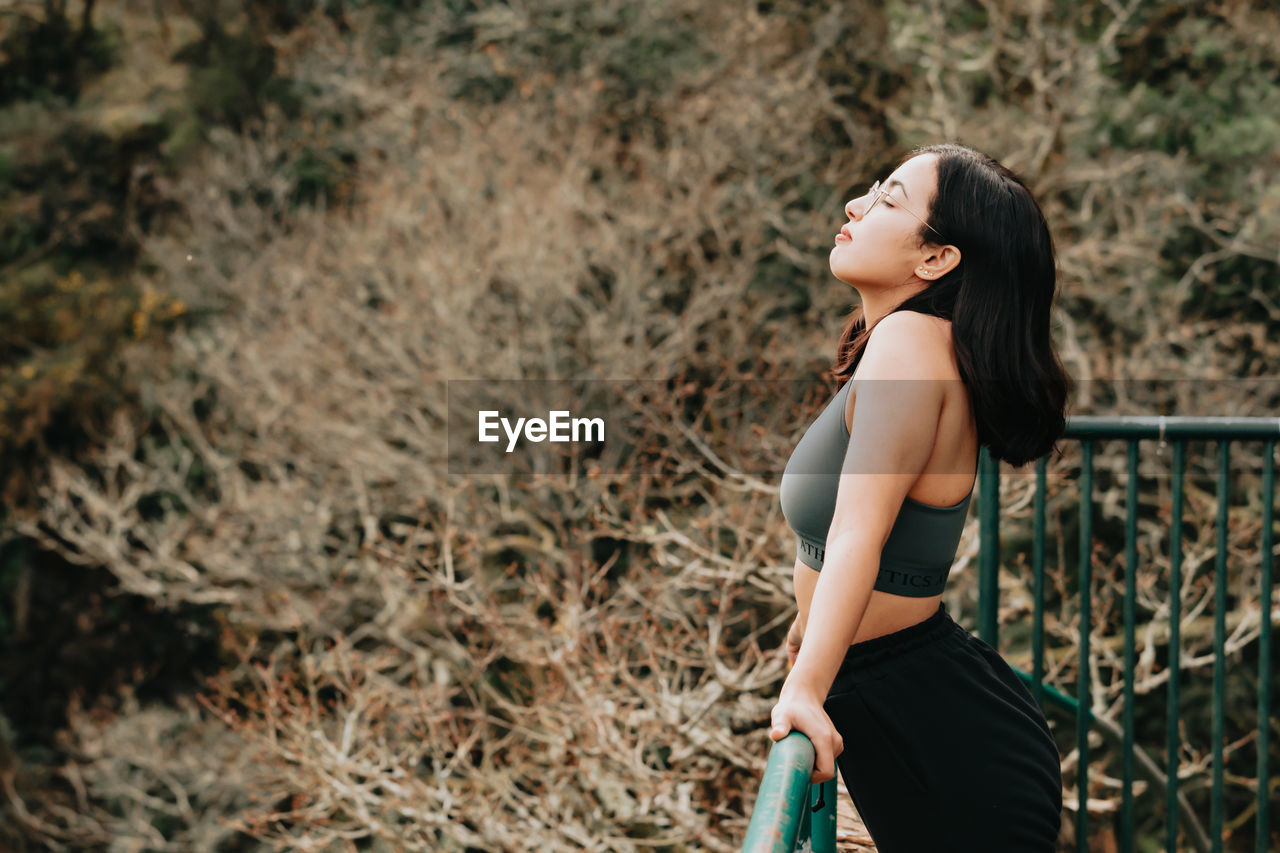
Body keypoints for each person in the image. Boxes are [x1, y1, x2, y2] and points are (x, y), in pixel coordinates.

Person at [769, 143, 1071, 851]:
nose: (856, 205)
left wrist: (806, 684)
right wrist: (810, 634)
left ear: (936, 259)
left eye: (889, 199)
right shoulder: (915, 343)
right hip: (912, 706)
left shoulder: (909, 342)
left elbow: (858, 535)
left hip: (931, 733)